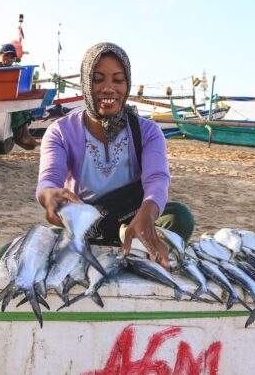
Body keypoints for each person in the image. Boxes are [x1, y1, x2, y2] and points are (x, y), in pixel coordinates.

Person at [36, 42, 194, 269]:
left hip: (135, 218)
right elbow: (49, 179)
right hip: (85, 224)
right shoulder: (60, 131)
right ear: (85, 84)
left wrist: (148, 215)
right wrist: (48, 195)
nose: (108, 88)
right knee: (17, 249)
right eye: (98, 79)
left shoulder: (148, 131)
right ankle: (127, 252)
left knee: (179, 216)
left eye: (118, 80)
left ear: (127, 84)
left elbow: (157, 179)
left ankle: (136, 241)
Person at [0, 43, 38, 150]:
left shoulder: (10, 70)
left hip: (4, 98)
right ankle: (20, 137)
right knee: (17, 104)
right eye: (6, 55)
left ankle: (24, 135)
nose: (9, 59)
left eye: (12, 57)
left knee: (23, 103)